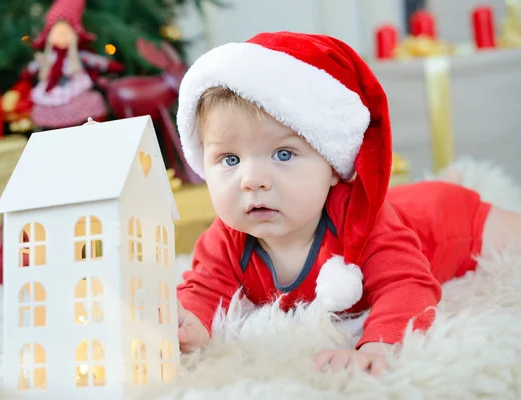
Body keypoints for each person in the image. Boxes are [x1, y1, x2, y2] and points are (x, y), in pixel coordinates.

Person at [172, 32, 521, 376]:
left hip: (449, 220)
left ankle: (452, 186)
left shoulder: (361, 222)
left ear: (334, 167)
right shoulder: (227, 238)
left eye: (283, 154)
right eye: (230, 159)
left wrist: (378, 345)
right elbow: (203, 290)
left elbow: (407, 285)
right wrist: (189, 325)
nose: (251, 180)